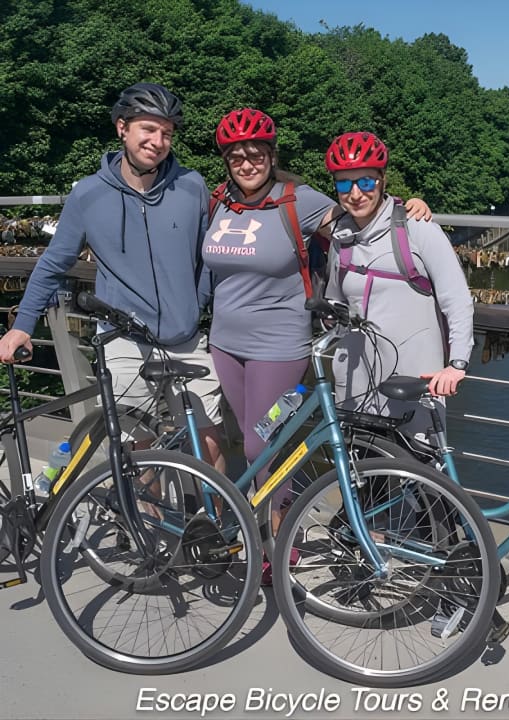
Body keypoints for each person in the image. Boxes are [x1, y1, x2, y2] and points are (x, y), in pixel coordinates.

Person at [201, 108, 432, 556]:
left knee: (260, 443)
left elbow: (359, 216)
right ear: (227, 163)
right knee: (247, 440)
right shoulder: (217, 201)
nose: (247, 164)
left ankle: (276, 542)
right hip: (225, 341)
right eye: (236, 158)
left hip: (280, 342)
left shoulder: (298, 201)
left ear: (272, 155)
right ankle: (264, 529)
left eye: (256, 154)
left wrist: (405, 206)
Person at [0, 83, 224, 470]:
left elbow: (208, 257)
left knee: (209, 440)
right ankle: (147, 528)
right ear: (122, 128)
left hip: (185, 338)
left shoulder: (192, 185)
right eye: (148, 130)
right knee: (138, 450)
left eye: (167, 133)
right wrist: (23, 325)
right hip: (123, 341)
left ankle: (216, 526)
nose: (158, 141)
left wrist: (196, 304)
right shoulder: (88, 195)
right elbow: (54, 263)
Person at [323, 131, 475, 441]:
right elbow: (335, 302)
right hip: (357, 384)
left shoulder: (417, 229)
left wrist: (457, 364)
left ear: (382, 180)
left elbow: (457, 299)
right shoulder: (340, 238)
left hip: (414, 384)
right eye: (344, 183)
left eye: (365, 182)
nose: (355, 193)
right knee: (364, 481)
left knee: (424, 479)